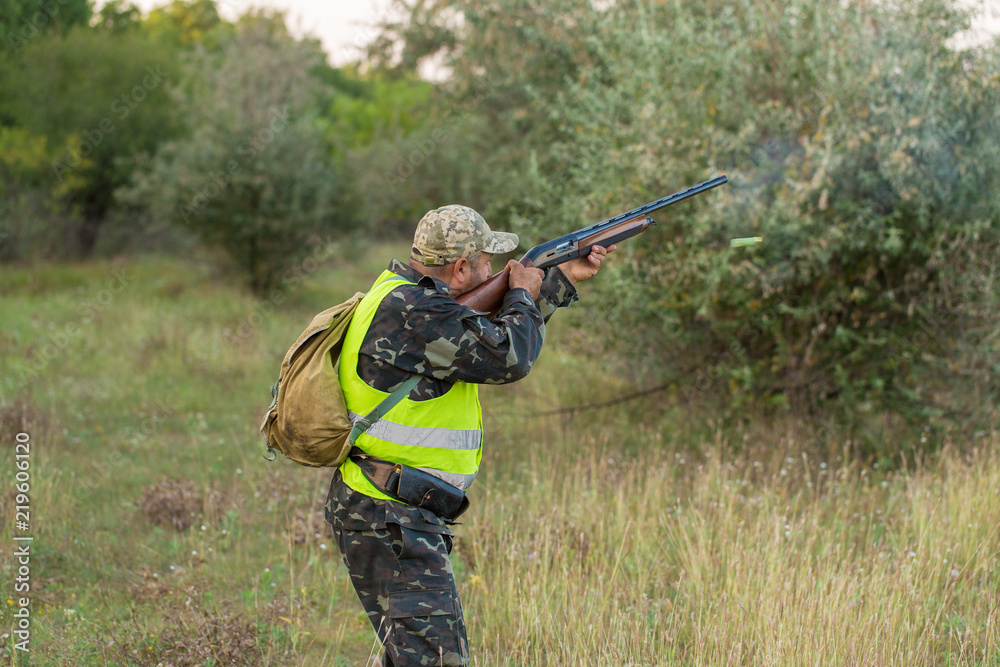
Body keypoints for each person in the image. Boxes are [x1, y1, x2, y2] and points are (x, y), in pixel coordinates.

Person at [324, 204, 613, 666]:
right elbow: (508, 357)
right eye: (486, 263)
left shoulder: (403, 298)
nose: (494, 271)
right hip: (389, 513)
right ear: (461, 268)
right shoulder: (416, 310)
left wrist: (562, 281)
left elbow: (485, 342)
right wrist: (520, 289)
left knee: (415, 656)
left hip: (393, 510)